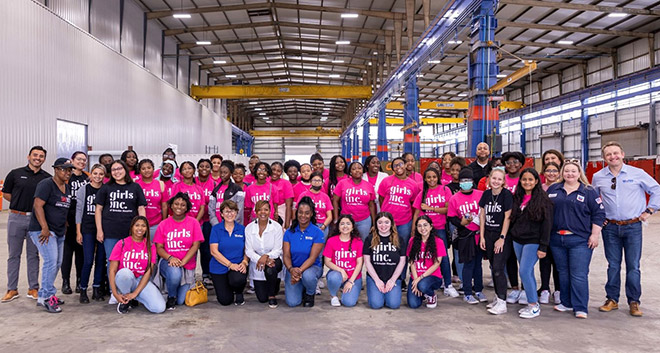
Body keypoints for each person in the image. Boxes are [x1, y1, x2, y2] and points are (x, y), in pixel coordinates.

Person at [593, 141, 660, 317]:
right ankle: (612, 299)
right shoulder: (599, 177)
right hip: (610, 228)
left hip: (633, 227)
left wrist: (650, 210)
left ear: (622, 154)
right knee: (613, 265)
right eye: (608, 154)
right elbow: (593, 200)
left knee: (633, 266)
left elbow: (656, 190)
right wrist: (599, 219)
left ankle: (634, 301)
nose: (613, 156)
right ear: (604, 158)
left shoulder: (637, 174)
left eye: (616, 153)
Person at [548, 159, 605, 319]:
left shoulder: (588, 191)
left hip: (580, 240)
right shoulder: (554, 189)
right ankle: (566, 303)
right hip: (557, 239)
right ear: (562, 173)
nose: (570, 174)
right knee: (563, 273)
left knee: (578, 274)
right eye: (567, 171)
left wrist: (595, 234)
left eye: (573, 171)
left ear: (579, 173)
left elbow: (599, 214)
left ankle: (580, 307)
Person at [2, 146, 51, 303]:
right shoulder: (15, 174)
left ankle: (33, 288)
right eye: (35, 155)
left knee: (33, 255)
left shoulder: (47, 178)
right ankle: (12, 289)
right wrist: (19, 203)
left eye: (41, 156)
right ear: (28, 156)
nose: (38, 158)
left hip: (36, 220)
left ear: (44, 159)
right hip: (16, 218)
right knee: (13, 255)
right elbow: (7, 194)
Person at [27, 158, 74, 313]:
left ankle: (43, 295)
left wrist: (65, 224)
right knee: (51, 261)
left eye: (70, 170)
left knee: (57, 262)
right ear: (56, 169)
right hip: (43, 231)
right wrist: (44, 227)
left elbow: (62, 207)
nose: (68, 172)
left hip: (59, 230)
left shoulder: (66, 187)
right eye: (65, 169)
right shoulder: (46, 184)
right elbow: (38, 205)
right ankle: (48, 298)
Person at [509, 168, 553, 319]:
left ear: (536, 181)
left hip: (533, 241)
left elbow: (547, 225)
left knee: (524, 271)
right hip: (517, 240)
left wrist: (543, 246)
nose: (527, 182)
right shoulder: (517, 198)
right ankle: (531, 301)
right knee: (527, 273)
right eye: (524, 179)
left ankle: (533, 305)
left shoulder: (543, 200)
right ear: (520, 181)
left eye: (530, 180)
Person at [95, 160, 147, 276]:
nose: (116, 172)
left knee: (129, 261)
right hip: (110, 232)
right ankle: (113, 291)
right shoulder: (106, 188)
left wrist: (142, 229)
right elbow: (98, 209)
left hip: (130, 232)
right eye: (113, 169)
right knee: (112, 261)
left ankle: (128, 289)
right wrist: (99, 230)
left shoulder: (135, 187)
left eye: (119, 169)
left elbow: (141, 208)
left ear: (125, 170)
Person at [153, 192, 204, 310]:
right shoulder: (163, 224)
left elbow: (196, 245)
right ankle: (171, 296)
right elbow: (159, 247)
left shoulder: (193, 223)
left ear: (187, 208)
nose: (179, 207)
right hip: (168, 262)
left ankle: (172, 288)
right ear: (171, 205)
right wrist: (171, 258)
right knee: (175, 273)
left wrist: (183, 262)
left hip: (187, 265)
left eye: (182, 205)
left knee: (181, 301)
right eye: (176, 204)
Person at [412, 167, 458, 298]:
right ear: (425, 179)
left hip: (439, 228)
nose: (431, 179)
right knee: (425, 255)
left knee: (442, 257)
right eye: (428, 177)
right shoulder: (422, 193)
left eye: (434, 177)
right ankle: (430, 280)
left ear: (438, 177)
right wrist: (413, 230)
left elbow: (448, 210)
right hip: (423, 230)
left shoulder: (445, 189)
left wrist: (431, 208)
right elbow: (416, 212)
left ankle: (448, 284)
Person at [108, 216, 165, 314]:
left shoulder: (150, 246)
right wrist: (115, 293)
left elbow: (148, 272)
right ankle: (125, 300)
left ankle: (134, 297)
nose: (140, 228)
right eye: (137, 225)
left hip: (141, 280)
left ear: (147, 229)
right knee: (124, 273)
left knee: (159, 308)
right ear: (131, 227)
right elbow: (112, 271)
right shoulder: (121, 243)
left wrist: (135, 293)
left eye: (143, 226)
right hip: (125, 280)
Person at [378, 156, 420, 286]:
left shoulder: (413, 184)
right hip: (387, 223)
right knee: (387, 250)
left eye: (400, 164)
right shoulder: (386, 181)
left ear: (405, 165)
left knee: (402, 251)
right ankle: (387, 276)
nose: (398, 167)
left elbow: (414, 205)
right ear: (392, 168)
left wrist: (413, 224)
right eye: (395, 165)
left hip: (404, 223)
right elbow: (381, 199)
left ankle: (401, 278)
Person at [447, 167, 486, 305]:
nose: (466, 183)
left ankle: (479, 289)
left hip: (479, 234)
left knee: (478, 265)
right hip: (465, 236)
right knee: (468, 264)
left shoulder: (481, 194)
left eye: (468, 180)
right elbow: (451, 217)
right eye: (463, 180)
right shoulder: (454, 198)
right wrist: (461, 222)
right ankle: (468, 292)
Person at [478, 168, 513, 315]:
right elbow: (482, 216)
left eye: (499, 179)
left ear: (503, 181)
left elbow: (507, 217)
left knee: (498, 268)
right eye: (494, 178)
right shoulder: (486, 194)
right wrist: (482, 236)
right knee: (493, 267)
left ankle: (502, 302)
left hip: (501, 236)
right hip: (489, 235)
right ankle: (498, 298)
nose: (496, 181)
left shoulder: (507, 195)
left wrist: (502, 238)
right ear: (489, 180)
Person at [282, 197, 324, 307]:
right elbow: (286, 255)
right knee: (292, 303)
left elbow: (312, 258)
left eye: (306, 213)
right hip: (293, 269)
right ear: (296, 213)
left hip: (311, 268)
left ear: (311, 214)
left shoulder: (317, 232)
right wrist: (291, 270)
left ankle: (310, 293)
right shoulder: (289, 232)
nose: (303, 216)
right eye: (300, 212)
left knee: (308, 276)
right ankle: (301, 286)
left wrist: (299, 271)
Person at [75, 164, 107, 303]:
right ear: (91, 174)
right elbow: (79, 210)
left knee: (100, 259)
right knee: (88, 260)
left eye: (101, 174)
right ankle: (83, 289)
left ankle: (96, 288)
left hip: (102, 229)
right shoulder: (84, 189)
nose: (98, 176)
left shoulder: (106, 190)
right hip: (87, 228)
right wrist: (78, 231)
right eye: (95, 173)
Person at [245, 200, 284, 308]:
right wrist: (260, 259)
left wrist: (266, 257)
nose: (263, 212)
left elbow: (278, 249)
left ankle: (272, 295)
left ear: (270, 211)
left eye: (266, 209)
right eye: (260, 210)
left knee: (270, 269)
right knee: (262, 299)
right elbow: (248, 251)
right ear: (255, 212)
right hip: (257, 262)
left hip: (274, 260)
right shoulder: (249, 228)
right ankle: (271, 284)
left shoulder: (276, 227)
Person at [363, 212, 406, 309]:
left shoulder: (399, 239)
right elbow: (367, 261)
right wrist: (377, 280)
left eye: (386, 222)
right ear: (376, 224)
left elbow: (402, 261)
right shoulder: (369, 239)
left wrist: (392, 280)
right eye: (380, 222)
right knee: (376, 305)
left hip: (392, 277)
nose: (383, 225)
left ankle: (388, 294)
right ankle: (378, 293)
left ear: (391, 224)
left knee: (393, 305)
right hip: (375, 277)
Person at [209, 200, 248, 306]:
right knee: (225, 301)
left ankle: (239, 292)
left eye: (232, 211)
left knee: (237, 279)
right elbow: (214, 251)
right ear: (221, 214)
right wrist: (230, 265)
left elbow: (247, 249)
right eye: (226, 211)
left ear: (236, 213)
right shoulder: (216, 229)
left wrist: (244, 262)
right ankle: (228, 289)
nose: (230, 214)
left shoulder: (243, 229)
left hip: (237, 266)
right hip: (219, 266)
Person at [61, 151, 88, 296]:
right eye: (79, 159)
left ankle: (79, 281)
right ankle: (65, 282)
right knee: (66, 253)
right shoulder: (66, 176)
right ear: (72, 160)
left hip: (82, 220)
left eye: (84, 160)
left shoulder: (87, 177)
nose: (82, 162)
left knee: (80, 254)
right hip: (67, 219)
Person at [407, 216, 447, 309]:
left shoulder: (439, 241)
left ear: (431, 226)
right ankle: (422, 293)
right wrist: (416, 279)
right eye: (419, 226)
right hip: (416, 276)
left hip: (432, 276)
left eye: (425, 225)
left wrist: (420, 279)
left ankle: (431, 294)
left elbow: (437, 263)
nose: (422, 228)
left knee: (423, 285)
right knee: (413, 304)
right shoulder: (412, 241)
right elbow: (412, 261)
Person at [323, 214, 364, 307]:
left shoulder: (358, 241)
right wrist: (341, 270)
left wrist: (351, 281)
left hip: (353, 277)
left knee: (349, 303)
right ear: (338, 227)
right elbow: (327, 261)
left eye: (348, 224)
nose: (345, 226)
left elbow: (359, 263)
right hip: (338, 274)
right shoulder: (331, 241)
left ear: (353, 227)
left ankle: (346, 288)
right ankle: (333, 295)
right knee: (334, 277)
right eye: (342, 224)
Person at [333, 162, 376, 241]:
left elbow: (371, 205)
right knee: (346, 241)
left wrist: (373, 222)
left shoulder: (368, 185)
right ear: (350, 172)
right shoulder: (342, 183)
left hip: (364, 220)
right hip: (346, 219)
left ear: (363, 170)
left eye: (359, 168)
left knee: (363, 242)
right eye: (354, 169)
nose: (357, 170)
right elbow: (335, 201)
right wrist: (336, 219)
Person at [539, 162, 561, 305]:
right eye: (548, 170)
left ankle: (558, 290)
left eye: (554, 170)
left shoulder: (564, 188)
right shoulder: (540, 189)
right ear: (544, 173)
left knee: (558, 263)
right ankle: (545, 289)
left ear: (559, 172)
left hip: (558, 230)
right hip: (543, 230)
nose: (551, 173)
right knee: (544, 260)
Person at [209, 160, 245, 226]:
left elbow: (239, 210)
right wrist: (215, 224)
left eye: (225, 172)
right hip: (218, 225)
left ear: (231, 173)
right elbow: (211, 210)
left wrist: (231, 224)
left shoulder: (237, 189)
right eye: (221, 172)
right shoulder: (215, 189)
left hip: (232, 225)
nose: (222, 175)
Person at [136, 159, 167, 238]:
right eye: (143, 169)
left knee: (154, 248)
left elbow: (164, 206)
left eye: (149, 168)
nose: (146, 170)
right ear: (139, 171)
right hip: (138, 224)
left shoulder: (160, 184)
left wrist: (163, 223)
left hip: (156, 224)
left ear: (153, 169)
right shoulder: (135, 184)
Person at [297, 172, 333, 237]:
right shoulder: (304, 195)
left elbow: (330, 216)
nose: (317, 182)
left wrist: (323, 226)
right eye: (314, 180)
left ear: (322, 183)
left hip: (322, 226)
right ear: (310, 182)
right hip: (307, 224)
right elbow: (298, 212)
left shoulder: (325, 197)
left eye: (319, 180)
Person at [270, 161, 294, 228]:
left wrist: (287, 225)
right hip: (267, 211)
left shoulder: (286, 183)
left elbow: (288, 206)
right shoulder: (265, 181)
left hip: (282, 211)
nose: (275, 172)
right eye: (273, 170)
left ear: (281, 173)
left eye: (278, 171)